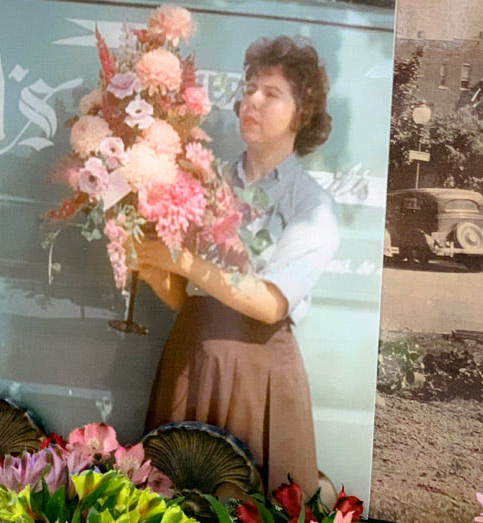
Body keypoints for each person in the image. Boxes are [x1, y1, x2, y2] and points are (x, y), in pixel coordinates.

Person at [136, 35, 340, 496]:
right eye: (250, 88)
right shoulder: (201, 184)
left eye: (272, 94)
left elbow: (269, 304)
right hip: (191, 355)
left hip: (257, 369)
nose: (253, 100)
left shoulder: (312, 204)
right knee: (174, 502)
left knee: (246, 504)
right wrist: (149, 263)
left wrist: (183, 260)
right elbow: (178, 296)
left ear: (301, 113)